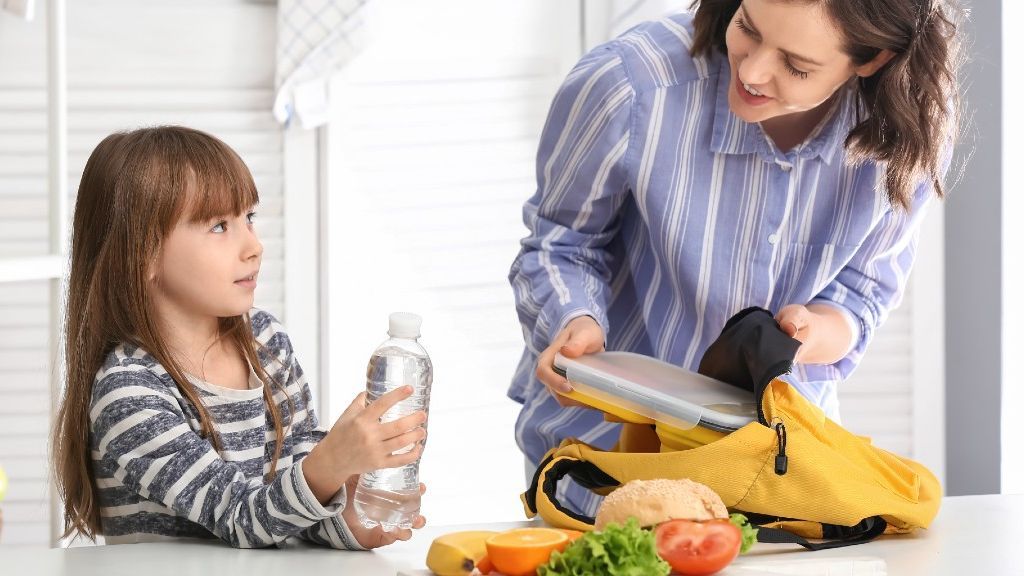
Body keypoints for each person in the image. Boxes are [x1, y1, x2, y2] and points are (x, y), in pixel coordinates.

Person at [509, 0, 963, 516]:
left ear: (873, 59)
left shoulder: (906, 128)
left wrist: (810, 334)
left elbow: (862, 294)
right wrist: (575, 321)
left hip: (773, 469)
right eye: (746, 25)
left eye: (796, 65)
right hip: (600, 457)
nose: (751, 71)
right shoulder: (629, 84)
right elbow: (562, 243)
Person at [51, 126, 428, 548]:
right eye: (218, 227)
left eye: (248, 218)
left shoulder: (266, 344)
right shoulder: (128, 393)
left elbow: (286, 511)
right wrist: (330, 464)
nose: (254, 246)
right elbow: (241, 517)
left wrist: (351, 522)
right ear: (144, 255)